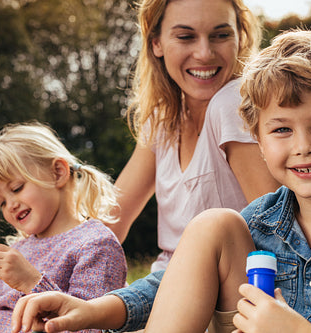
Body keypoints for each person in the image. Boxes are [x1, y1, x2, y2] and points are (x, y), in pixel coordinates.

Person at [10, 29, 311, 333]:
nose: (303, 146)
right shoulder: (262, 219)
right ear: (258, 140)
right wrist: (92, 311)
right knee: (212, 225)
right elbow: (162, 286)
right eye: (281, 130)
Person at [110, 0, 280, 271]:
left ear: (241, 36)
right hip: (164, 287)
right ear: (156, 43)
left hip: (220, 298)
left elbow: (278, 233)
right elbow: (110, 222)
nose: (204, 53)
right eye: (186, 37)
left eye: (221, 35)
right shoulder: (162, 120)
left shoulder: (231, 104)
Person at [0, 122, 127, 333]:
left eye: (17, 188)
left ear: (58, 173)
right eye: (1, 202)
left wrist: (32, 282)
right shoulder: (18, 251)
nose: (11, 205)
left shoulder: (96, 245)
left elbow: (91, 328)